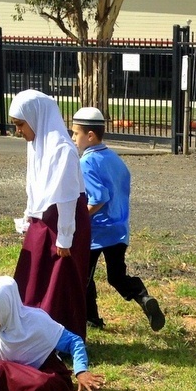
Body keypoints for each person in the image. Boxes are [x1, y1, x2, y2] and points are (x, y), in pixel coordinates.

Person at [71, 107, 165, 332]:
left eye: (76, 133)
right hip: (119, 230)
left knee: (84, 277)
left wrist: (79, 217)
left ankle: (91, 319)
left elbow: (99, 197)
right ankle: (143, 297)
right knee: (116, 275)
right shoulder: (114, 158)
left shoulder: (86, 162)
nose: (73, 138)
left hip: (96, 231)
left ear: (90, 136)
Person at [9, 89, 91, 340]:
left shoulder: (61, 149)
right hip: (44, 220)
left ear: (36, 118)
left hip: (62, 223)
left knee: (58, 279)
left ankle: (58, 337)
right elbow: (35, 185)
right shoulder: (38, 145)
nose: (18, 131)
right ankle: (33, 332)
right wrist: (29, 215)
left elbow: (66, 196)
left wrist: (65, 237)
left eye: (20, 124)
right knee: (33, 273)